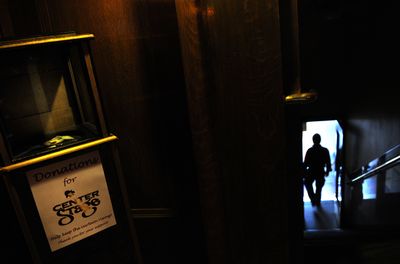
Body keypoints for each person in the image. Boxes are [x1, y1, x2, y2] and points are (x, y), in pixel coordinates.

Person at [303, 133, 332, 206]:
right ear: (320, 140)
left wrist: (304, 172)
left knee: (308, 183)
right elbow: (328, 162)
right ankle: (317, 201)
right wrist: (327, 171)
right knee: (319, 188)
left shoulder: (309, 151)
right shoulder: (325, 150)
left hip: (311, 171)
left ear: (313, 140)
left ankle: (313, 199)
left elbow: (305, 163)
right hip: (320, 171)